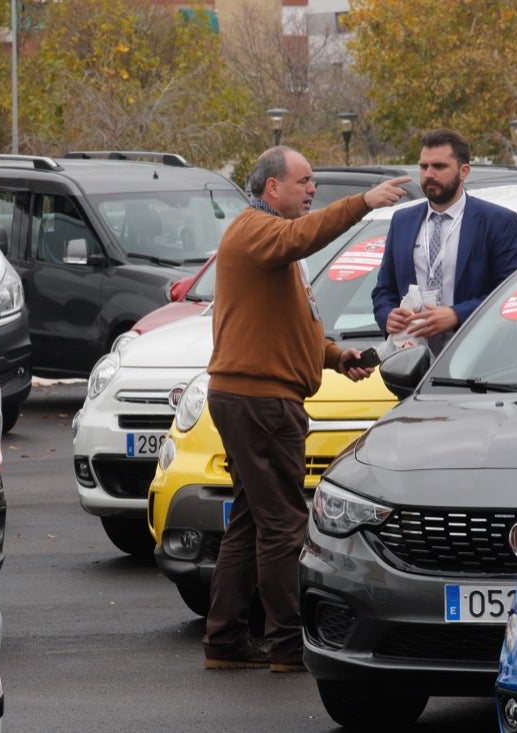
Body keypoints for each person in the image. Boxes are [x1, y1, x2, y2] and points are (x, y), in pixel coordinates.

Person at [203, 146, 410, 672]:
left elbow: (291, 329)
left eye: (313, 181)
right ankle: (288, 646)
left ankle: (225, 640)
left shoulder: (270, 247)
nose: (312, 189)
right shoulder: (258, 230)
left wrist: (338, 357)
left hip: (252, 398)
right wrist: (364, 201)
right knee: (282, 525)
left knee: (253, 521)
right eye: (303, 181)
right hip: (261, 402)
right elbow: (306, 234)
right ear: (272, 188)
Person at [372, 128, 517, 354]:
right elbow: (384, 290)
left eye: (439, 166)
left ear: (464, 171)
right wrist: (387, 315)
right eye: (424, 167)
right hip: (412, 359)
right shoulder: (402, 221)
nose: (429, 174)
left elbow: (512, 292)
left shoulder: (498, 222)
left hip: (481, 360)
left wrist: (456, 314)